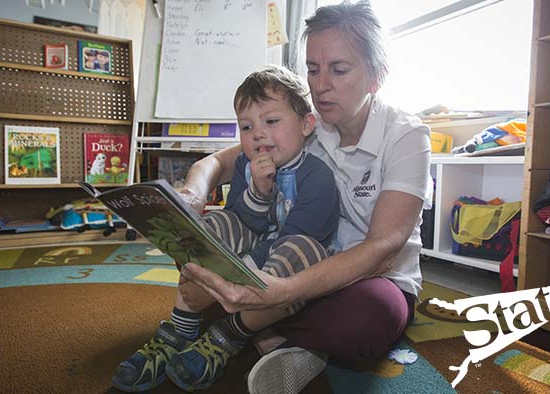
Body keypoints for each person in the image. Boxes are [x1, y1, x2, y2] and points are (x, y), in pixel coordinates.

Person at [177, 2, 432, 393]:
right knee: (216, 264)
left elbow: (383, 248)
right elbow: (221, 162)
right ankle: (276, 332)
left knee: (369, 318)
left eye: (339, 69)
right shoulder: (308, 121)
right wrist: (194, 191)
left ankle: (255, 328)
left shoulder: (406, 136)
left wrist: (283, 292)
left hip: (374, 278)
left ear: (376, 76)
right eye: (313, 69)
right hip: (300, 258)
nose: (320, 84)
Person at [111, 65, 340, 392]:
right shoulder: (246, 164)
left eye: (271, 121)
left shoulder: (317, 177)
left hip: (290, 266)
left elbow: (293, 238)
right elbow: (242, 218)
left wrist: (239, 269)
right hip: (257, 244)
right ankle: (181, 326)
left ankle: (228, 335)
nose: (258, 133)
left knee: (301, 249)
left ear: (306, 124)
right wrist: (258, 193)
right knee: (216, 221)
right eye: (247, 126)